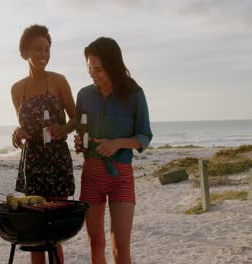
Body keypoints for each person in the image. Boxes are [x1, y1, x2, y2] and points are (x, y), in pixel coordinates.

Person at [74, 37, 153, 264]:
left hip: (121, 177)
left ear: (112, 66)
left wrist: (117, 143)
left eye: (98, 69)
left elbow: (144, 136)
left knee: (120, 247)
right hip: (91, 175)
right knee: (95, 243)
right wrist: (80, 144)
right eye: (90, 68)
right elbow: (82, 134)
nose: (93, 73)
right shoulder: (84, 95)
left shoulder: (134, 94)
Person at [10, 24, 76, 264]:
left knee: (55, 230)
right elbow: (23, 126)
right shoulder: (17, 89)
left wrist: (64, 128)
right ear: (25, 51)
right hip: (33, 163)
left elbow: (76, 118)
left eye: (47, 50)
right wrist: (18, 132)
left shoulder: (59, 81)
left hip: (57, 159)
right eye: (38, 49)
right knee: (35, 231)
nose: (43, 54)